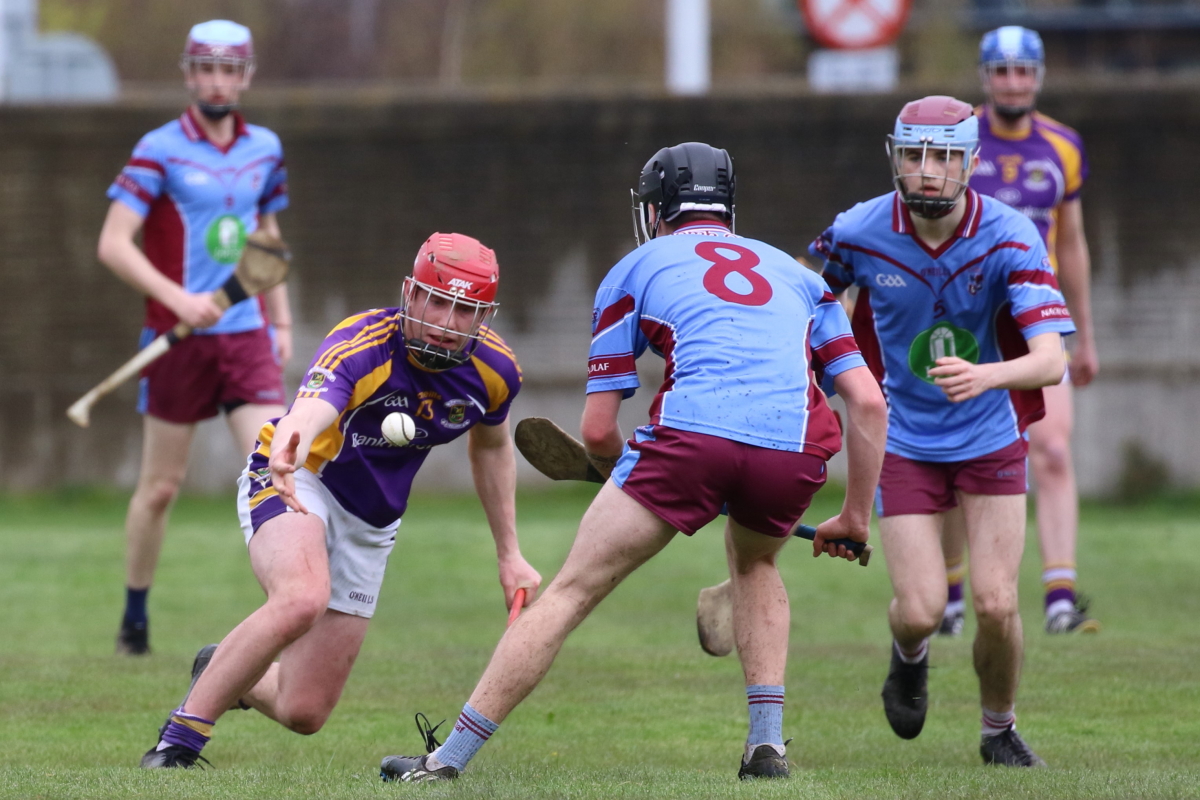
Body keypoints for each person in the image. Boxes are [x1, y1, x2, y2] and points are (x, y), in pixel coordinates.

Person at [379, 142, 889, 783]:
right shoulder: (801, 277)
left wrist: (628, 473)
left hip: (688, 443)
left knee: (568, 592)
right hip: (794, 450)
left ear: (656, 210)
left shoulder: (633, 268)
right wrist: (854, 517)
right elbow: (867, 403)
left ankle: (444, 761)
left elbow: (597, 431)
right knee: (757, 562)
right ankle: (766, 748)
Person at [139, 232, 541, 768]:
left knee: (304, 711)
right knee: (302, 597)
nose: (446, 323)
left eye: (464, 310)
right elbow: (313, 407)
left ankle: (223, 666)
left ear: (483, 316)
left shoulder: (495, 372)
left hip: (371, 524)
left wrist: (509, 552)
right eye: (436, 301)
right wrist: (288, 445)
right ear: (411, 293)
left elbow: (491, 449)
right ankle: (176, 745)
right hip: (298, 477)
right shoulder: (362, 342)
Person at [810, 96, 1076, 766]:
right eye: (913, 154)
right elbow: (813, 304)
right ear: (895, 155)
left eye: (944, 157)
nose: (927, 171)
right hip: (902, 443)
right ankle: (909, 657)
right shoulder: (856, 232)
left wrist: (987, 376)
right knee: (921, 609)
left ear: (971, 162)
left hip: (989, 438)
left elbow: (1052, 359)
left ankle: (999, 729)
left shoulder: (1011, 233)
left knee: (994, 602)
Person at [99, 20, 293, 655]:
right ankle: (133, 617)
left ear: (246, 76)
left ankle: (288, 613)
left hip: (246, 336)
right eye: (205, 68)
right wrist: (178, 298)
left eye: (229, 68)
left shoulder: (264, 146)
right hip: (175, 338)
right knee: (159, 489)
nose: (217, 80)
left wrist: (282, 320)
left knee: (275, 469)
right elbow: (112, 243)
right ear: (188, 73)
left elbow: (267, 242)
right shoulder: (158, 148)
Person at [938, 26, 1100, 637]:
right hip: (969, 319)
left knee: (1054, 450)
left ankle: (1060, 596)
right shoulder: (957, 143)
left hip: (1039, 319)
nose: (1013, 82)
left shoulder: (1063, 146)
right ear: (984, 77)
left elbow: (1074, 243)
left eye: (1023, 71)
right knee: (955, 460)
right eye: (1001, 71)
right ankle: (952, 594)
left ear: (1038, 77)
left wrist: (1086, 335)